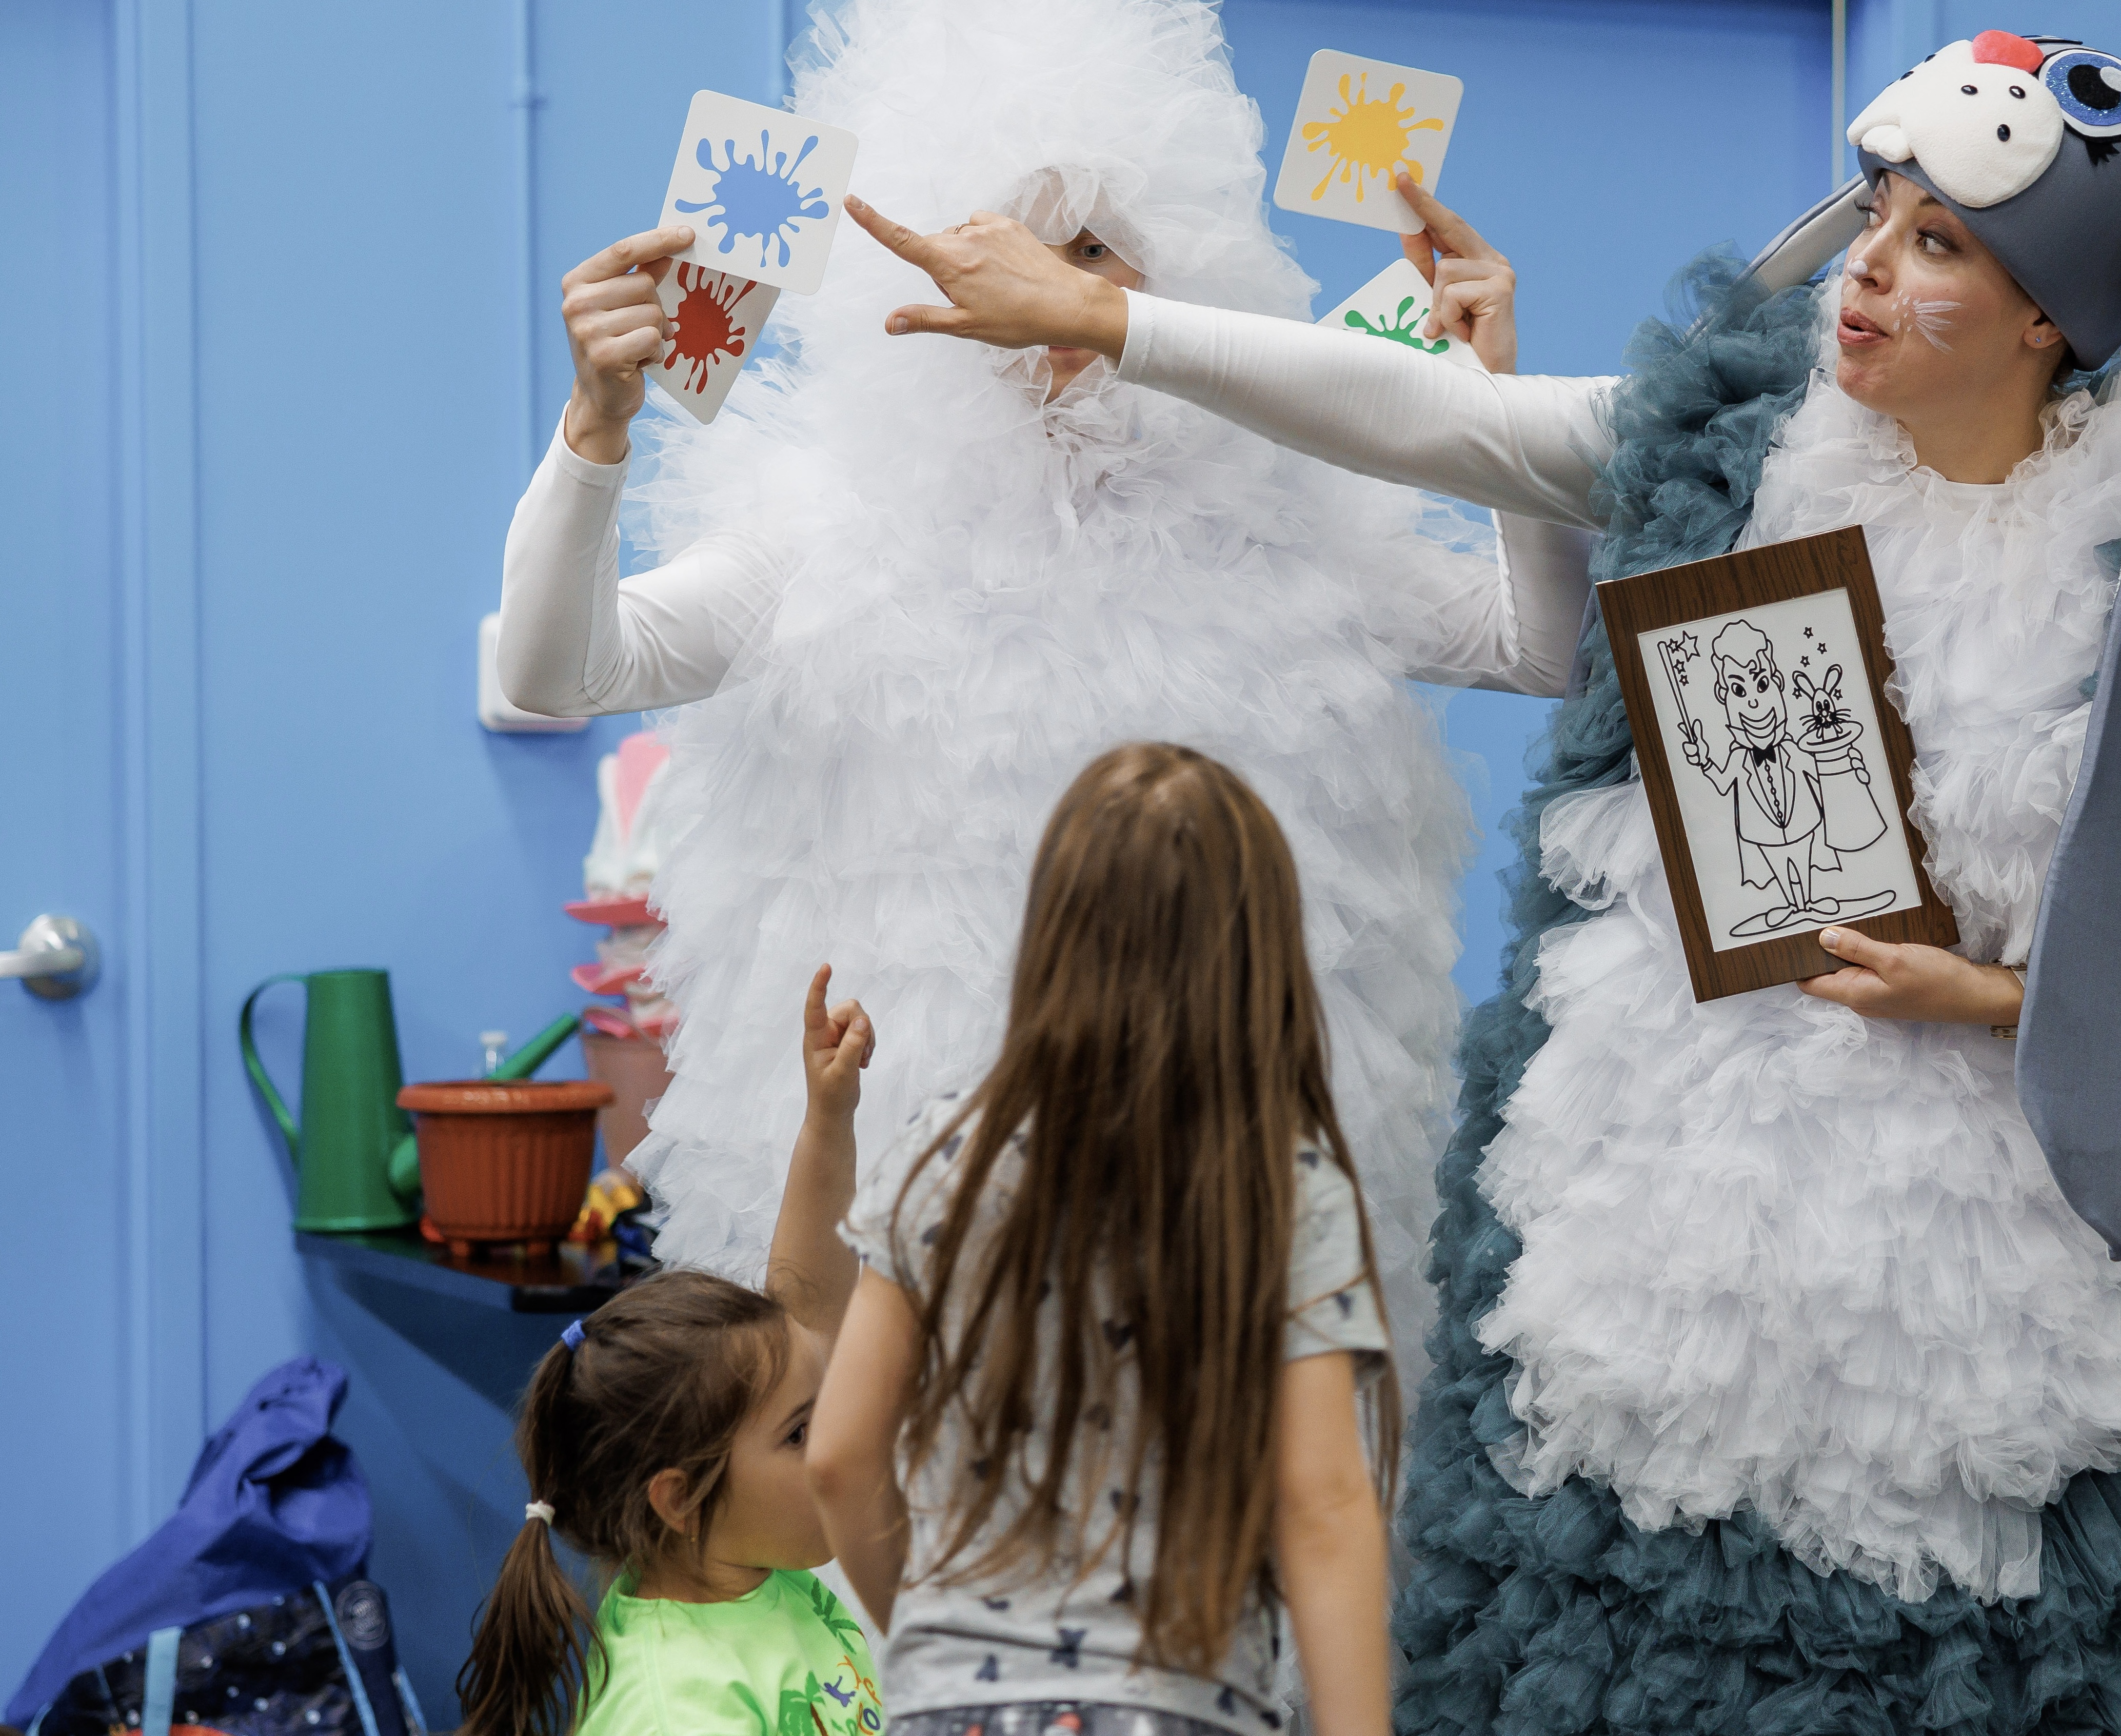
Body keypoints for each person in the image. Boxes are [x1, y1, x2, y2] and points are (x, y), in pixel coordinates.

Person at [843, 30, 2121, 1733]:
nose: (1868, 269)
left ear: (2048, 316)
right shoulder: (1733, 461)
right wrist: (1109, 323)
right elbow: (1436, 418)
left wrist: (1982, 994)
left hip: (1982, 1266)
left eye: (1938, 242)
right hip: (1684, 1211)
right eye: (1875, 215)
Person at [493, 0, 1595, 1383]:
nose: (1048, 297)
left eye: (1091, 252)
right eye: (999, 246)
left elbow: (1533, 647)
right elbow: (553, 665)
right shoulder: (821, 524)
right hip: (918, 1220)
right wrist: (596, 429)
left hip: (1235, 1199)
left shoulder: (1287, 512)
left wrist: (1497, 415)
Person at [803, 743, 1396, 1736]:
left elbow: (838, 1456)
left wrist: (944, 1641)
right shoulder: (1282, 1186)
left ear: (1050, 937)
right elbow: (1323, 1506)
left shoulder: (941, 1157)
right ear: (1259, 957)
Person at [452, 1267, 880, 1736]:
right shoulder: (675, 1713)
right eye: (798, 1433)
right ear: (682, 1501)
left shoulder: (762, 1578)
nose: (834, 1445)